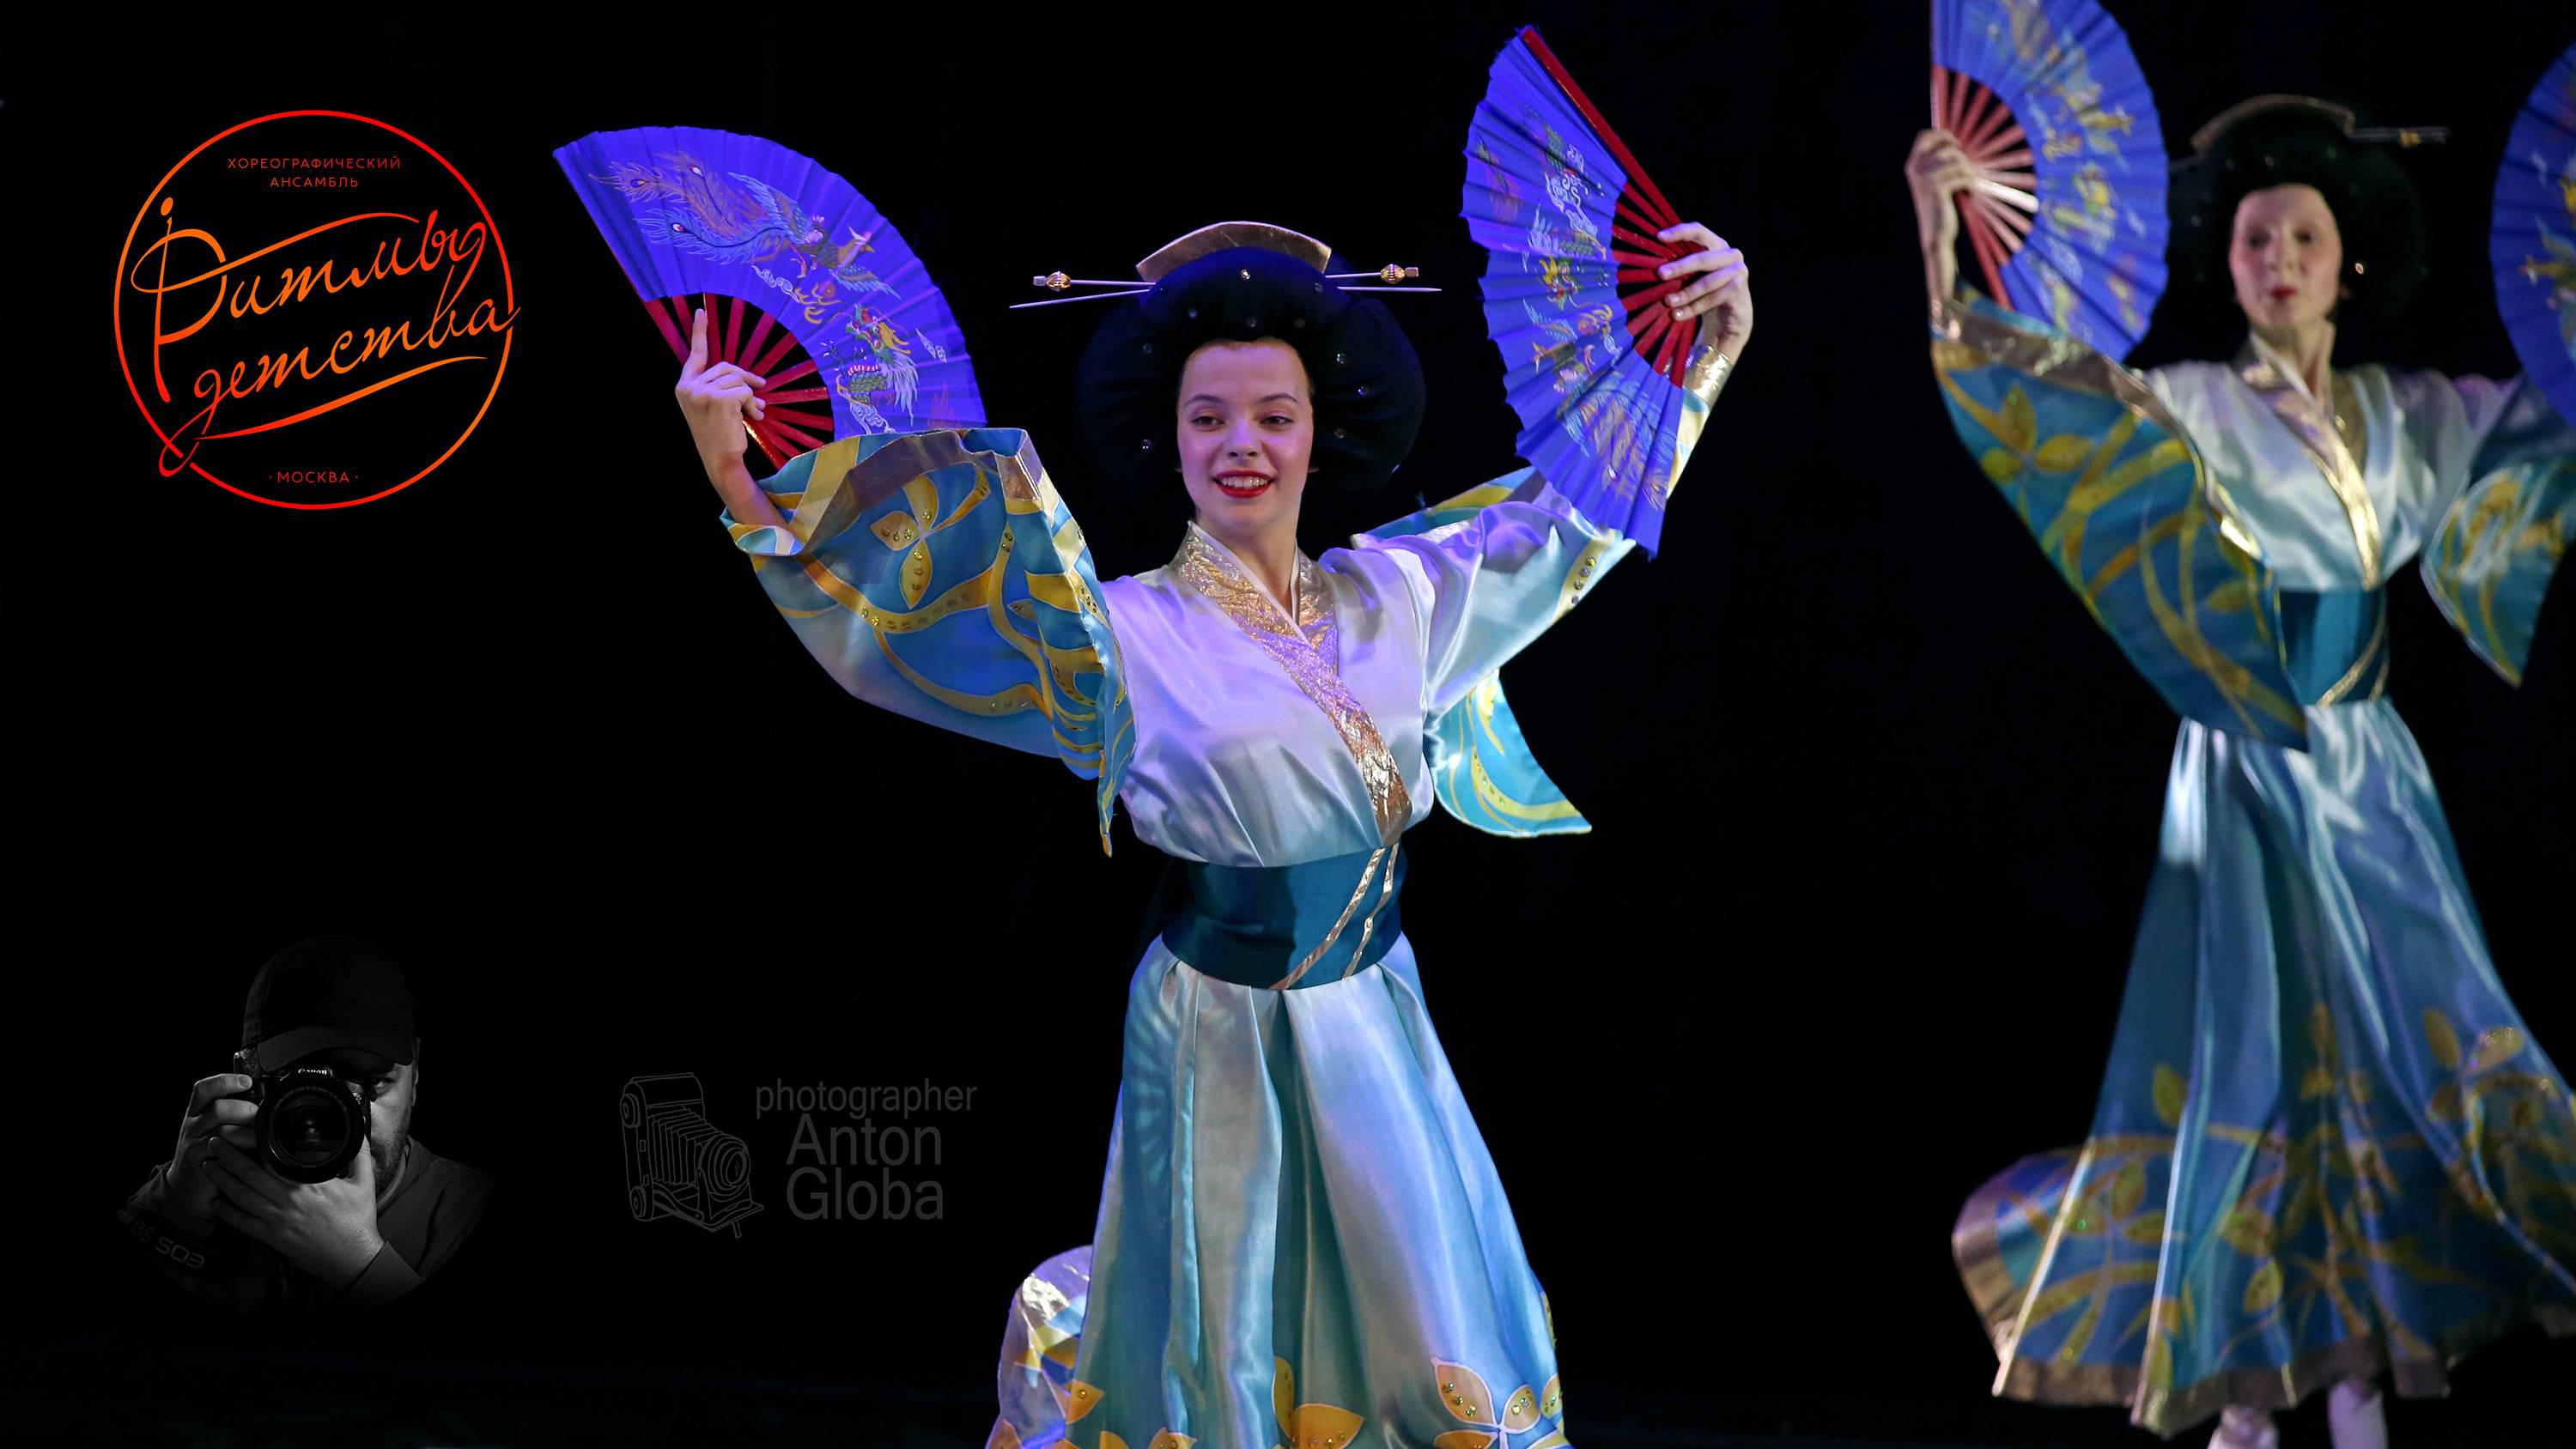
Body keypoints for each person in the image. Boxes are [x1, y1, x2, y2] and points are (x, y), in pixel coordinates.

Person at [673, 218, 1749, 1447]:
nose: (1242, 445)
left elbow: (1578, 525)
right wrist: (736, 475)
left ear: (1319, 432)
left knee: (1420, 1301)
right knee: (1215, 1337)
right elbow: (897, 632)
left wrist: (1705, 353)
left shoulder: (1405, 596)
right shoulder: (1116, 634)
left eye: (1274, 416)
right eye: (1209, 419)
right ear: (1168, 438)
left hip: (1372, 1005)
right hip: (1214, 1020)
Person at [1908, 99, 2574, 1448]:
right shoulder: (2200, 406)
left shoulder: (2410, 417)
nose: (2279, 257)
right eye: (2258, 236)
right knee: (2253, 1062)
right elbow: (2048, 396)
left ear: (2350, 262)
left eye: (2306, 236)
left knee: (2390, 1057)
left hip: (2372, 774)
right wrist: (1943, 236)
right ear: (2230, 262)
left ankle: (2358, 1355)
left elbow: (2550, 418)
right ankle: (2249, 1378)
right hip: (2246, 757)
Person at [115, 935, 497, 1311]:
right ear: (245, 1078)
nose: (340, 1115)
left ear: (415, 1075)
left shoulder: (467, 1210)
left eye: (374, 1082)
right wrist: (172, 1212)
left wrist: (362, 1262)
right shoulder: (195, 1185)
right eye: (303, 1085)